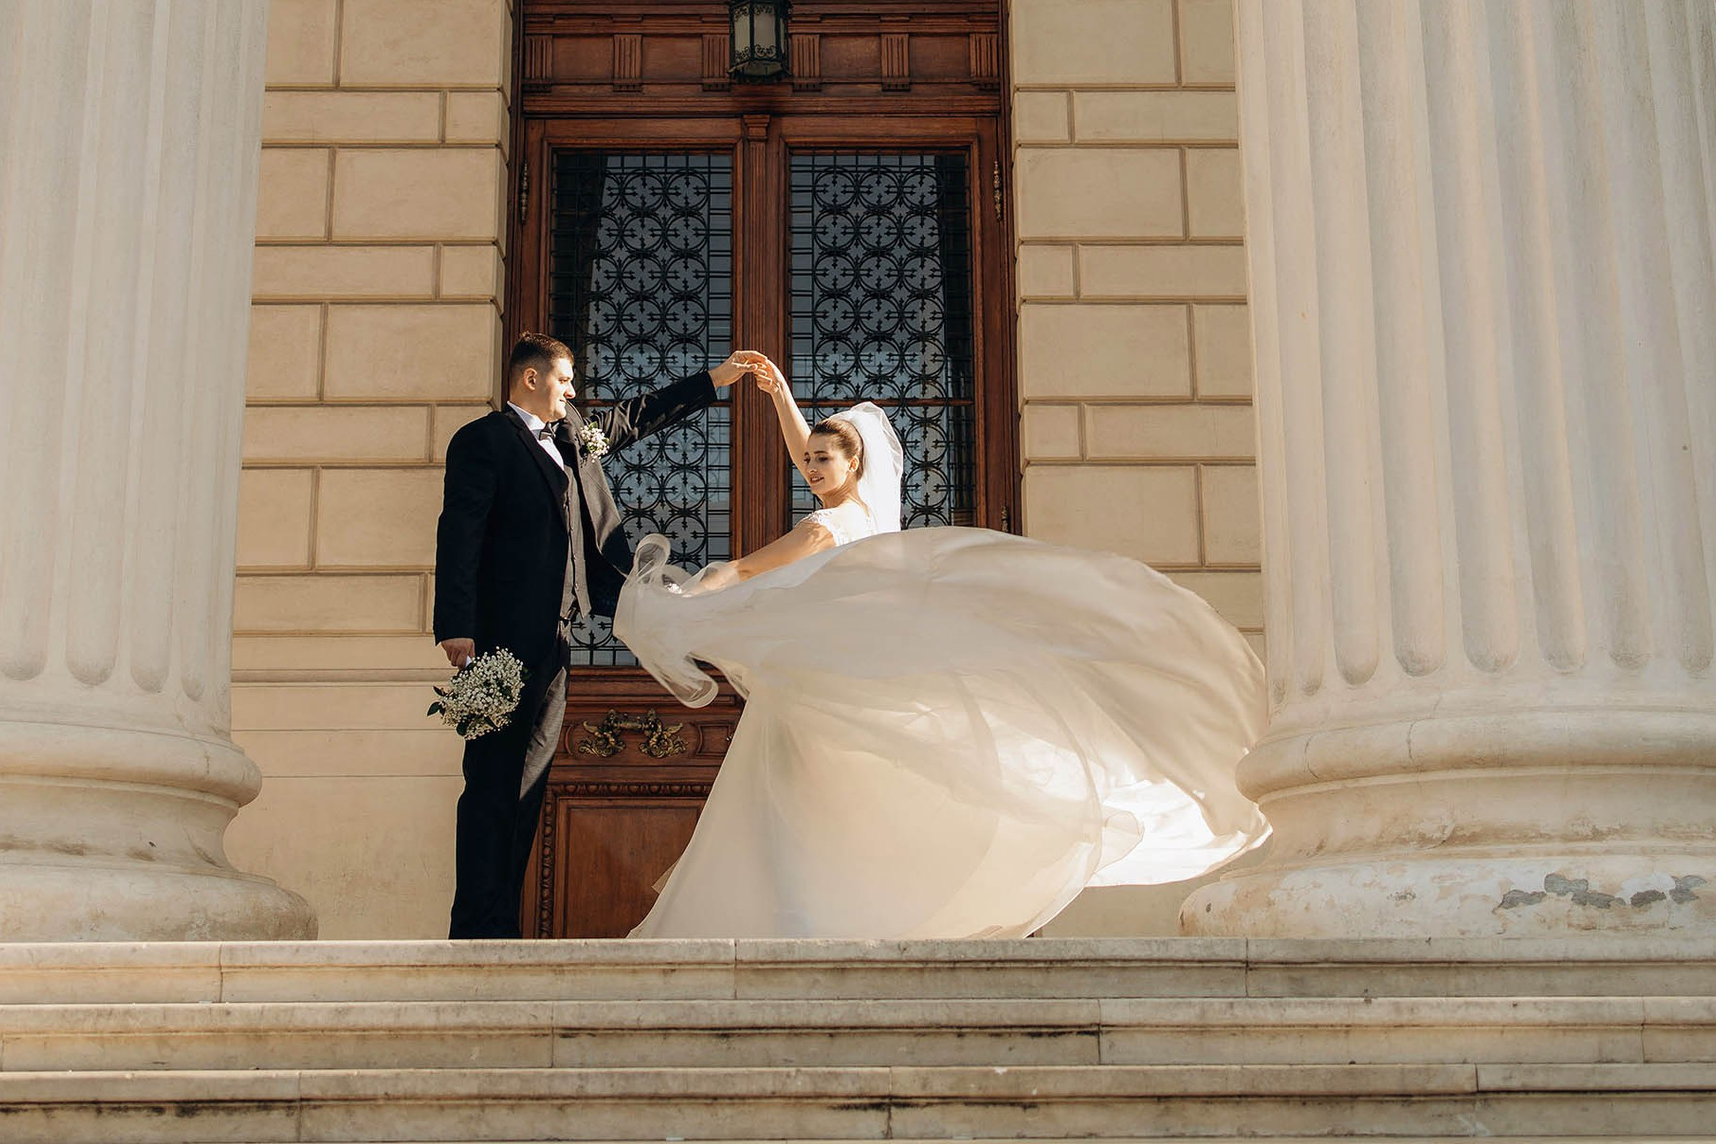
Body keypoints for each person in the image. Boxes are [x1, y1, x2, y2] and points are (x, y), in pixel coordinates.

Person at [612, 352, 1269, 939]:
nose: (809, 467)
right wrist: (781, 396)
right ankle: (821, 918)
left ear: (853, 464)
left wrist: (696, 592)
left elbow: (752, 568)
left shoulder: (823, 526)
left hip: (816, 683)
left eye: (822, 459)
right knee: (822, 806)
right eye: (808, 458)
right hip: (846, 676)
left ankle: (800, 920)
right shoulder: (870, 516)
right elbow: (808, 453)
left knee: (789, 806)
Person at [433, 331, 758, 939]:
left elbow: (633, 418)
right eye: (565, 380)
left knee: (531, 778)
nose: (573, 391)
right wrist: (458, 628)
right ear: (531, 379)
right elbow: (460, 533)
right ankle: (473, 929)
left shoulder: (572, 435)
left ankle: (499, 925)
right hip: (499, 637)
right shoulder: (482, 442)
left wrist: (712, 380)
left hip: (557, 636)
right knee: (491, 781)